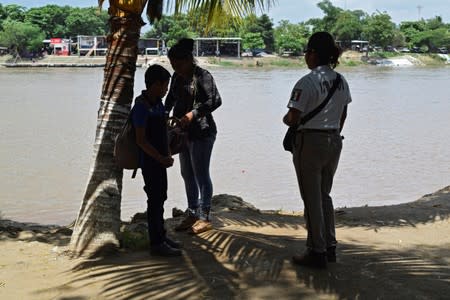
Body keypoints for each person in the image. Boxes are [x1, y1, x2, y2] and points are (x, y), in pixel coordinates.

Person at [283, 32, 352, 269]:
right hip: (334, 140)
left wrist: (286, 119)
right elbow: (343, 113)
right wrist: (332, 132)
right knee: (324, 195)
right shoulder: (341, 81)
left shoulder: (306, 82)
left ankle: (316, 251)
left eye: (306, 52)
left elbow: (293, 117)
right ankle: (329, 245)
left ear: (312, 54)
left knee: (311, 198)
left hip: (310, 142)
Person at [165, 38, 222, 234]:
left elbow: (215, 101)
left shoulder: (202, 76)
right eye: (173, 65)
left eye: (179, 64)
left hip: (202, 132)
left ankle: (204, 217)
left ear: (189, 59)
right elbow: (170, 99)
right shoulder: (177, 78)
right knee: (186, 174)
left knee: (201, 174)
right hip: (182, 134)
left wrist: (192, 114)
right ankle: (192, 212)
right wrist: (163, 115)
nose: (176, 68)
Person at [131, 64, 182, 257]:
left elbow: (162, 132)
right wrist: (160, 157)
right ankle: (157, 243)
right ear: (154, 85)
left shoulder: (158, 104)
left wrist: (168, 153)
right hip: (150, 162)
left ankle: (161, 236)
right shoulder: (141, 107)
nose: (166, 89)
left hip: (161, 160)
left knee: (161, 198)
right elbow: (141, 140)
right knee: (154, 201)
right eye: (164, 85)